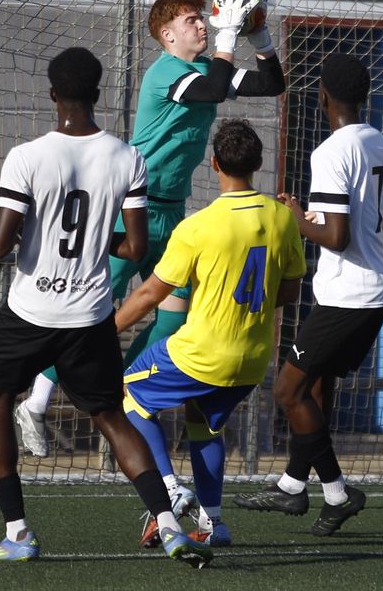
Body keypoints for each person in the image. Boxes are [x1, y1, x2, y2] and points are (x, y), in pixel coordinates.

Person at [17, 0, 285, 464]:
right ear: (166, 35)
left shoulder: (205, 67)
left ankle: (124, 385)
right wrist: (227, 33)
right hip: (132, 207)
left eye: (205, 20)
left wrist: (260, 35)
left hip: (172, 212)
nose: (202, 25)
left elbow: (271, 84)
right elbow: (212, 90)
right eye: (191, 21)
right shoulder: (167, 72)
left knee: (173, 316)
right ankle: (34, 402)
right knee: (92, 308)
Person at [0, 47, 211, 567]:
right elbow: (135, 249)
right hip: (91, 313)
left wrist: (36, 233)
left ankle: (18, 532)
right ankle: (169, 524)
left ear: (53, 94)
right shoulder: (129, 158)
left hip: (31, 310)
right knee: (110, 416)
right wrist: (94, 242)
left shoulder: (27, 156)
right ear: (98, 94)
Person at [117, 119, 305, 549]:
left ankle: (167, 489)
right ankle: (214, 523)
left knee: (124, 393)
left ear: (214, 163)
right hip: (254, 359)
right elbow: (290, 289)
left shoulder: (198, 226)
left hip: (201, 353)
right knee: (202, 425)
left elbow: (149, 294)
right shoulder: (282, 218)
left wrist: (100, 330)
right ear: (256, 164)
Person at [234, 52, 383, 536]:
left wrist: (296, 218)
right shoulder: (377, 140)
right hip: (378, 283)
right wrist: (310, 213)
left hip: (352, 290)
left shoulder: (330, 151)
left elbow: (336, 236)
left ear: (323, 94)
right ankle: (291, 484)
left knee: (288, 389)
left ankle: (336, 493)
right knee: (318, 385)